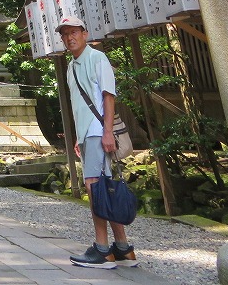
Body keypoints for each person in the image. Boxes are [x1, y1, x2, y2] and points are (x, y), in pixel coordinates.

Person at [56, 14, 138, 269]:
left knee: (95, 189)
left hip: (97, 131)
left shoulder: (97, 58)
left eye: (73, 32)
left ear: (84, 34)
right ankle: (123, 248)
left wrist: (106, 132)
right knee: (104, 188)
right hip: (87, 134)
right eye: (65, 34)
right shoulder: (71, 67)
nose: (69, 38)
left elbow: (108, 96)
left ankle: (102, 250)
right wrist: (78, 137)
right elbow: (78, 106)